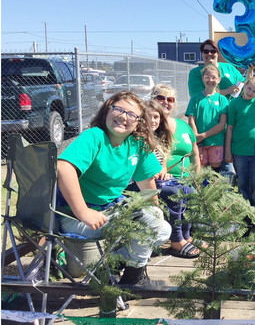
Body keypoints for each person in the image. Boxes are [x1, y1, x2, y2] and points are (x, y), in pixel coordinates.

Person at [56, 91, 171, 286]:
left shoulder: (137, 144)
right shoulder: (94, 136)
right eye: (119, 109)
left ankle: (112, 265)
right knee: (151, 220)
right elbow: (63, 168)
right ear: (107, 111)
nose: (124, 117)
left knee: (163, 230)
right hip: (76, 219)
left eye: (132, 114)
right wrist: (84, 211)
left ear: (139, 123)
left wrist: (155, 214)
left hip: (110, 213)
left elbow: (147, 187)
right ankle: (134, 279)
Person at [150, 84, 202, 258]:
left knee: (189, 191)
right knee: (176, 192)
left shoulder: (169, 127)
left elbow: (164, 155)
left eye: (170, 99)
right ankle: (176, 240)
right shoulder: (147, 127)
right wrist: (159, 171)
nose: (165, 102)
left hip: (172, 176)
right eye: (161, 98)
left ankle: (186, 236)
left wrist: (163, 169)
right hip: (147, 179)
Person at [225, 76, 255, 207]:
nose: (250, 92)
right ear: (245, 85)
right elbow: (230, 128)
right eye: (249, 88)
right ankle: (245, 208)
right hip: (239, 150)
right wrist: (228, 151)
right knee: (242, 182)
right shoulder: (234, 104)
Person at [186, 64, 229, 172]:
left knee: (215, 173)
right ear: (202, 79)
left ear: (219, 79)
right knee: (201, 171)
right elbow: (191, 120)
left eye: (214, 77)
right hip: (200, 144)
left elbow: (222, 124)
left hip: (216, 142)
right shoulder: (196, 98)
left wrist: (203, 135)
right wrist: (197, 138)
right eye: (207, 77)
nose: (210, 80)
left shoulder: (222, 100)